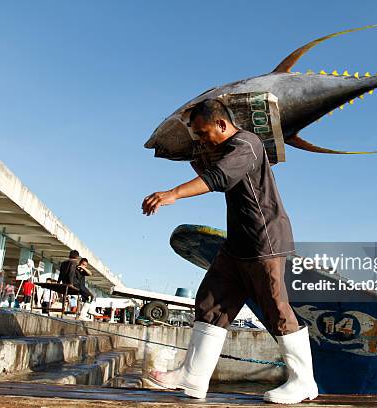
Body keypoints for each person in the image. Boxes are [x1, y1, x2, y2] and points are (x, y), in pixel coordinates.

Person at [141, 99, 317, 404]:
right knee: (212, 301)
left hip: (265, 240)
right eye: (196, 135)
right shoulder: (222, 149)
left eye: (203, 132)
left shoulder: (247, 144)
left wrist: (173, 194)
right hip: (237, 244)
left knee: (275, 308)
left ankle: (304, 382)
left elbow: (219, 179)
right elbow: (209, 169)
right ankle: (193, 377)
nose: (200, 139)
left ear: (222, 124)